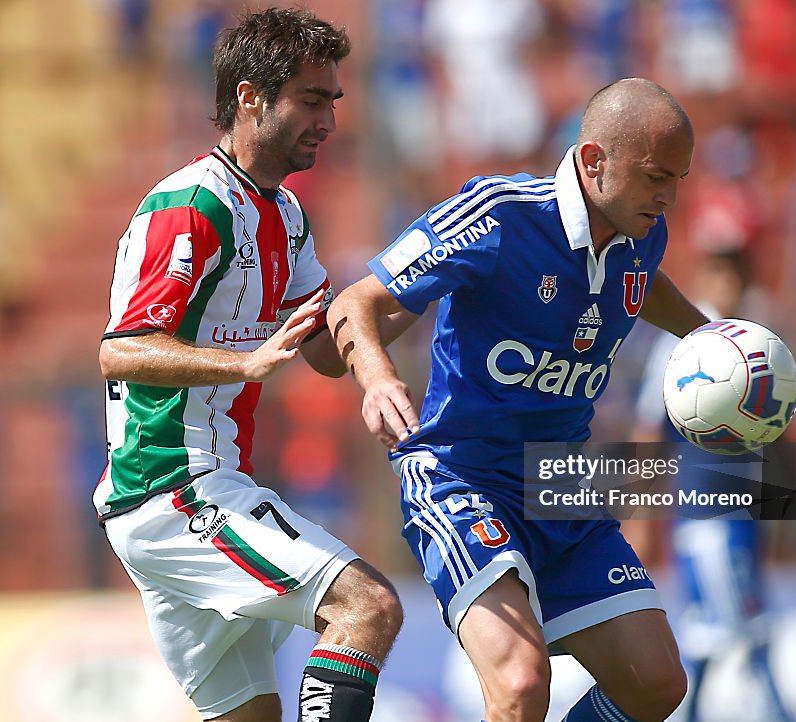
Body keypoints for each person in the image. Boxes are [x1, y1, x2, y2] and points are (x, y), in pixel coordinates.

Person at [329, 78, 707, 722]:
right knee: (521, 685)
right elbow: (355, 301)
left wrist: (706, 335)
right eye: (654, 177)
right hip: (460, 476)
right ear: (593, 161)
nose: (668, 197)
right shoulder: (498, 214)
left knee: (657, 683)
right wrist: (379, 379)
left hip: (561, 485)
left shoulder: (643, 231)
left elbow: (643, 284)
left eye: (678, 178)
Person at [96, 9, 402, 722]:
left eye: (333, 101)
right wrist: (242, 365)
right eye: (311, 100)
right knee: (368, 607)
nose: (328, 120)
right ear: (249, 97)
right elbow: (119, 349)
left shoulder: (285, 213)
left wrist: (410, 288)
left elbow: (325, 350)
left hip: (194, 496)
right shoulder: (192, 204)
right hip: (176, 494)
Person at [631, 249, 794, 722]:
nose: (731, 285)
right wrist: (642, 517)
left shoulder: (757, 340)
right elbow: (648, 429)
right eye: (721, 274)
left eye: (738, 275)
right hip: (705, 514)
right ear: (705, 277)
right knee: (747, 632)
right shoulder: (686, 345)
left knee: (708, 632)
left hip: (744, 513)